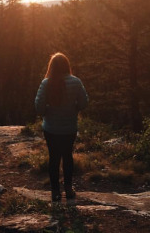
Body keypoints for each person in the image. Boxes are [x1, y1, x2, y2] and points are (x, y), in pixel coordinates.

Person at [35, 52, 88, 202]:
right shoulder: (76, 82)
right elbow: (84, 103)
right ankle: (69, 189)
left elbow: (38, 107)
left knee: (54, 158)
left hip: (51, 128)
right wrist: (74, 109)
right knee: (67, 156)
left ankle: (55, 192)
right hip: (69, 128)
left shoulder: (46, 83)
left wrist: (47, 111)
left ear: (51, 67)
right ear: (67, 65)